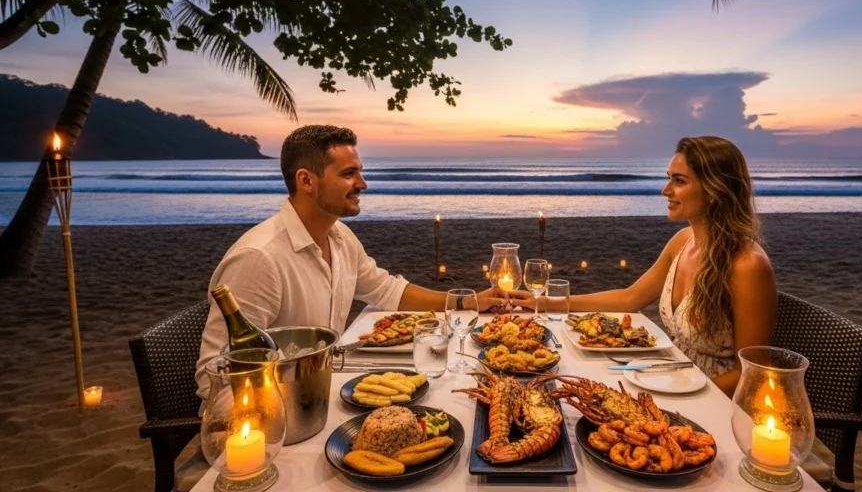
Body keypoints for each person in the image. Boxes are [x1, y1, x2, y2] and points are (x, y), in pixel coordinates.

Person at [194, 125, 527, 398]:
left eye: (360, 172)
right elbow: (217, 379)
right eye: (349, 174)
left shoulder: (339, 238)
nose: (363, 184)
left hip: (325, 389)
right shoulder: (259, 259)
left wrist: (469, 302)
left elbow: (387, 291)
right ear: (306, 181)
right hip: (277, 414)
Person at [548, 136, 777, 397]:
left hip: (713, 398)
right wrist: (549, 303)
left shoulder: (747, 265)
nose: (665, 190)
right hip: (671, 379)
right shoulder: (682, 242)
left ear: (715, 190)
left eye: (679, 181)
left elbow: (752, 372)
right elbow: (629, 298)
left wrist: (682, 398)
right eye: (669, 178)